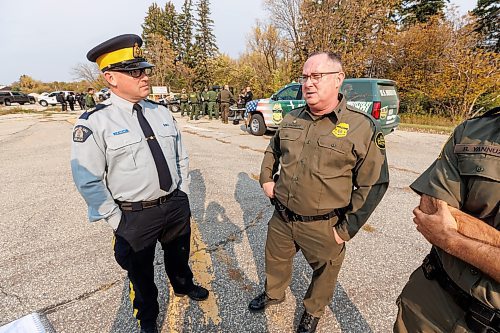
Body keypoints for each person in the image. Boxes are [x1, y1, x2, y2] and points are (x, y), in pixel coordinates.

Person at [70, 34, 209, 333]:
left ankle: (183, 286)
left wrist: (181, 193)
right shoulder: (95, 123)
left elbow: (180, 157)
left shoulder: (161, 113)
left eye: (144, 70)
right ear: (111, 78)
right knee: (141, 274)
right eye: (135, 71)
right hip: (134, 214)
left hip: (173, 206)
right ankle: (147, 318)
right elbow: (88, 180)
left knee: (179, 256)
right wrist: (116, 219)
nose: (144, 76)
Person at [248, 51, 389, 333]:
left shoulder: (361, 127)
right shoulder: (292, 118)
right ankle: (274, 294)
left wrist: (344, 230)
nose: (308, 83)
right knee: (274, 261)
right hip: (283, 217)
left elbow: (374, 183)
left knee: (325, 273)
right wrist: (266, 179)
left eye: (316, 76)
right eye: (304, 76)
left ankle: (312, 311)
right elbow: (272, 152)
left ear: (338, 80)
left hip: (325, 225)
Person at [394, 107, 500, 333]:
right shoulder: (473, 131)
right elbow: (431, 207)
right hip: (431, 301)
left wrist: (452, 240)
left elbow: (443, 226)